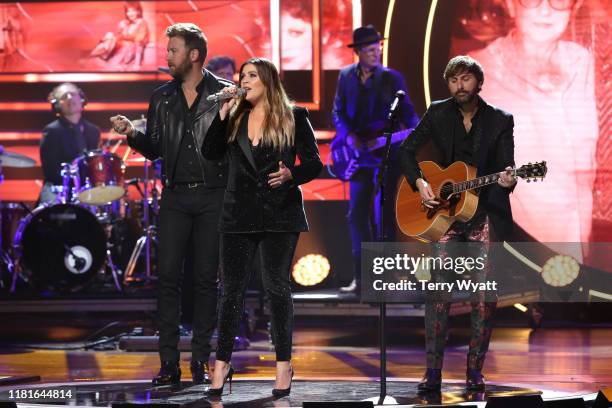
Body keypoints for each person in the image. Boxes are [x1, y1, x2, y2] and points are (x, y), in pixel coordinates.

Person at [110, 22, 232, 386]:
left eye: (173, 50)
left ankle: (200, 360)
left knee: (206, 280)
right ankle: (168, 363)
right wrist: (133, 134)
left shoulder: (224, 93)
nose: (168, 56)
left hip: (214, 195)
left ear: (193, 55)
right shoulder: (161, 97)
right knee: (167, 280)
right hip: (176, 196)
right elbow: (157, 149)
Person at [201, 57, 322, 396]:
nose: (245, 80)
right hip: (237, 213)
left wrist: (291, 175)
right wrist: (221, 113)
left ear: (269, 81)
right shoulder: (234, 116)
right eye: (243, 76)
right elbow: (211, 153)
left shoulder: (293, 116)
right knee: (231, 292)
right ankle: (222, 363)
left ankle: (284, 365)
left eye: (252, 75)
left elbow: (314, 163)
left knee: (276, 288)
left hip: (279, 213)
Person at [398, 55, 517, 391]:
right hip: (446, 214)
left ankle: (474, 372)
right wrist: (421, 184)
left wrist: (510, 179)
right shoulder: (438, 111)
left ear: (478, 82)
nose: (459, 86)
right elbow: (407, 151)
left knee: (484, 297)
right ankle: (432, 373)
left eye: (465, 79)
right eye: (453, 80)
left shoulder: (500, 119)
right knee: (437, 294)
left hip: (485, 214)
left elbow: (507, 166)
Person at [469, 0, 598, 249]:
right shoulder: (480, 69)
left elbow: (585, 158)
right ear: (510, 5)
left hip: (567, 228)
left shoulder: (579, 61)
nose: (546, 9)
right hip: (511, 232)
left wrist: (583, 234)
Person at [332, 25, 419, 293]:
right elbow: (337, 112)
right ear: (357, 51)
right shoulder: (345, 76)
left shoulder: (392, 78)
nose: (376, 52)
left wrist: (419, 134)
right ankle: (361, 278)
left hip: (385, 156)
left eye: (378, 47)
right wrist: (348, 139)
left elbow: (409, 115)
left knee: (384, 217)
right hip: (356, 155)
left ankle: (386, 277)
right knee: (356, 214)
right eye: (370, 49)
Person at [40, 83, 100, 204]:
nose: (69, 98)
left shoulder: (93, 131)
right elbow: (51, 171)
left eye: (72, 94)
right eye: (63, 96)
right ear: (57, 105)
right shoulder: (52, 131)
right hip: (58, 188)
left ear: (81, 99)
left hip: (86, 188)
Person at [90, 1, 150, 68]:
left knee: (113, 65)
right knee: (109, 35)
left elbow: (140, 39)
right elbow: (119, 36)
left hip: (130, 49)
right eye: (128, 11)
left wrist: (123, 36)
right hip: (120, 48)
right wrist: (115, 35)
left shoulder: (141, 23)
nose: (130, 14)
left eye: (133, 11)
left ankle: (104, 56)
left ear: (138, 11)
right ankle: (102, 54)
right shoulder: (124, 23)